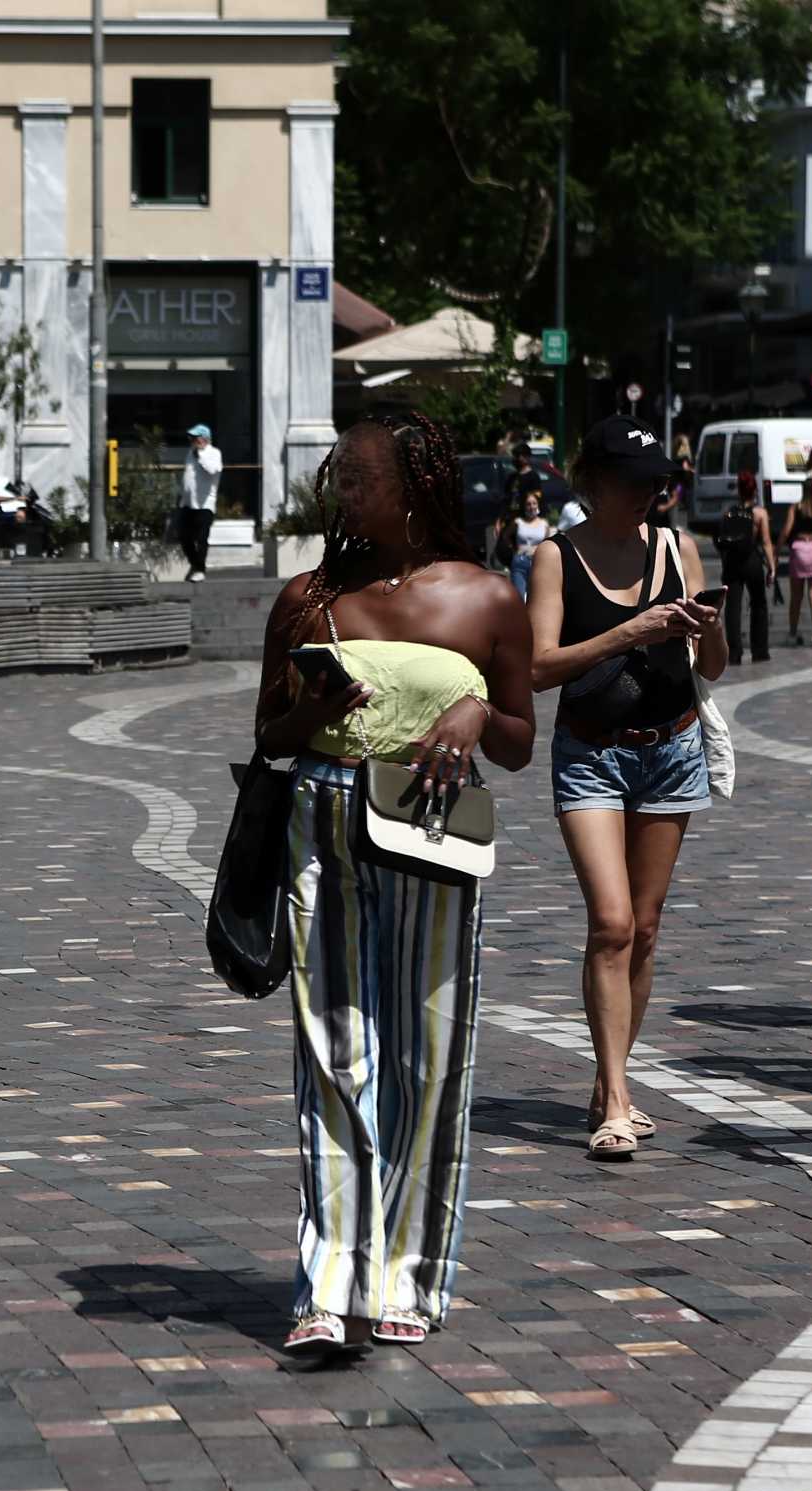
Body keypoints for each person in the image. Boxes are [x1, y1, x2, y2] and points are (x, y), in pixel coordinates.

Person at [253, 410, 533, 1355]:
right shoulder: (309, 598)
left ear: (415, 490)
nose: (344, 496)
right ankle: (326, 1287)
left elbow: (523, 741)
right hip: (321, 825)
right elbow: (269, 740)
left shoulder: (489, 599)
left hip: (432, 826)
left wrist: (473, 706)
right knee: (334, 1054)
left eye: (361, 480)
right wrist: (312, 708)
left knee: (429, 1054)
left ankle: (406, 1276)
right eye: (341, 480)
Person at [528, 417, 725, 1160]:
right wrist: (629, 633)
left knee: (645, 926)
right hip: (591, 752)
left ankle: (615, 1077)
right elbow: (539, 668)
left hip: (670, 748)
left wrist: (709, 625)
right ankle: (613, 1098)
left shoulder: (679, 549)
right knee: (609, 922)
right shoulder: (557, 558)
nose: (651, 496)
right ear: (594, 484)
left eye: (659, 485)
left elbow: (715, 668)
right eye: (637, 484)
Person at [711, 471, 773, 662]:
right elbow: (766, 542)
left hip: (733, 563)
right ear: (754, 490)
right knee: (758, 604)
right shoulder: (759, 513)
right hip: (752, 561)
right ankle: (759, 650)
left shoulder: (728, 513)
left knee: (733, 608)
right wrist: (772, 566)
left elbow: (722, 542)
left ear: (738, 489)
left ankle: (735, 652)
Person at [780, 474, 812, 648]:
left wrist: (776, 549)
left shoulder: (796, 508)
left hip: (800, 549)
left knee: (796, 596)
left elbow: (787, 530)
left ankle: (792, 633)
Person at [179, 422, 222, 582]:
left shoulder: (214, 453)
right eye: (191, 438)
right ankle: (195, 564)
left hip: (205, 504)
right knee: (184, 537)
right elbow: (187, 476)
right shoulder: (191, 453)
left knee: (201, 538)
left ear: (204, 439)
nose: (192, 441)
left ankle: (200, 570)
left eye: (195, 438)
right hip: (188, 503)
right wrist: (182, 498)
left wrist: (200, 456)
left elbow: (212, 470)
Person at [506, 490, 551, 600]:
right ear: (524, 506)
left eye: (534, 503)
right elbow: (506, 536)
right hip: (520, 561)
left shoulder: (544, 524)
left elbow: (547, 543)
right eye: (528, 504)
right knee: (519, 598)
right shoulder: (518, 522)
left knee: (537, 598)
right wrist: (513, 549)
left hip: (538, 563)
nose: (531, 506)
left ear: (538, 505)